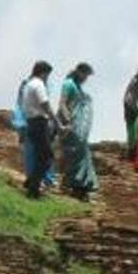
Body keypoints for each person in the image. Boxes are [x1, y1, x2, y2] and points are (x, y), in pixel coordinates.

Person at [58, 63, 99, 200]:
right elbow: (62, 104)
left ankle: (81, 187)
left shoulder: (78, 87)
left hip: (80, 128)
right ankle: (72, 185)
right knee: (76, 155)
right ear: (79, 72)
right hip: (71, 126)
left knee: (83, 155)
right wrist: (68, 121)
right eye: (85, 75)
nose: (86, 78)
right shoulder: (68, 84)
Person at [20, 60, 57, 198]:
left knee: (40, 156)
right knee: (47, 157)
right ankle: (33, 188)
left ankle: (31, 182)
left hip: (31, 122)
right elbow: (45, 104)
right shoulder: (39, 84)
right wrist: (56, 121)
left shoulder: (28, 85)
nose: (48, 78)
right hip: (39, 123)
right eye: (47, 74)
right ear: (43, 72)